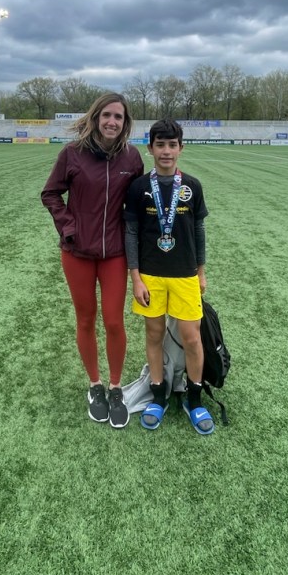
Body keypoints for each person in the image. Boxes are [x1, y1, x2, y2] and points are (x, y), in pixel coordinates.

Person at [41, 93, 144, 428]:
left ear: (125, 123)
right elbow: (50, 193)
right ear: (96, 117)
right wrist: (69, 227)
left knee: (114, 321)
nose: (112, 122)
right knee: (85, 319)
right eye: (107, 115)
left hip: (114, 253)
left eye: (118, 117)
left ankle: (115, 388)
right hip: (77, 253)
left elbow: (136, 205)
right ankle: (95, 385)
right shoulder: (72, 153)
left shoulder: (132, 157)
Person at [124, 118, 214, 434]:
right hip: (150, 275)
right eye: (160, 145)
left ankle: (194, 399)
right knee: (154, 335)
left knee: (191, 338)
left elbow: (199, 230)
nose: (166, 151)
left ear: (181, 148)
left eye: (172, 145)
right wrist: (136, 278)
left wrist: (201, 272)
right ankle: (158, 396)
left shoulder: (192, 186)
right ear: (150, 149)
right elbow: (131, 233)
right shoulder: (138, 187)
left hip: (185, 275)